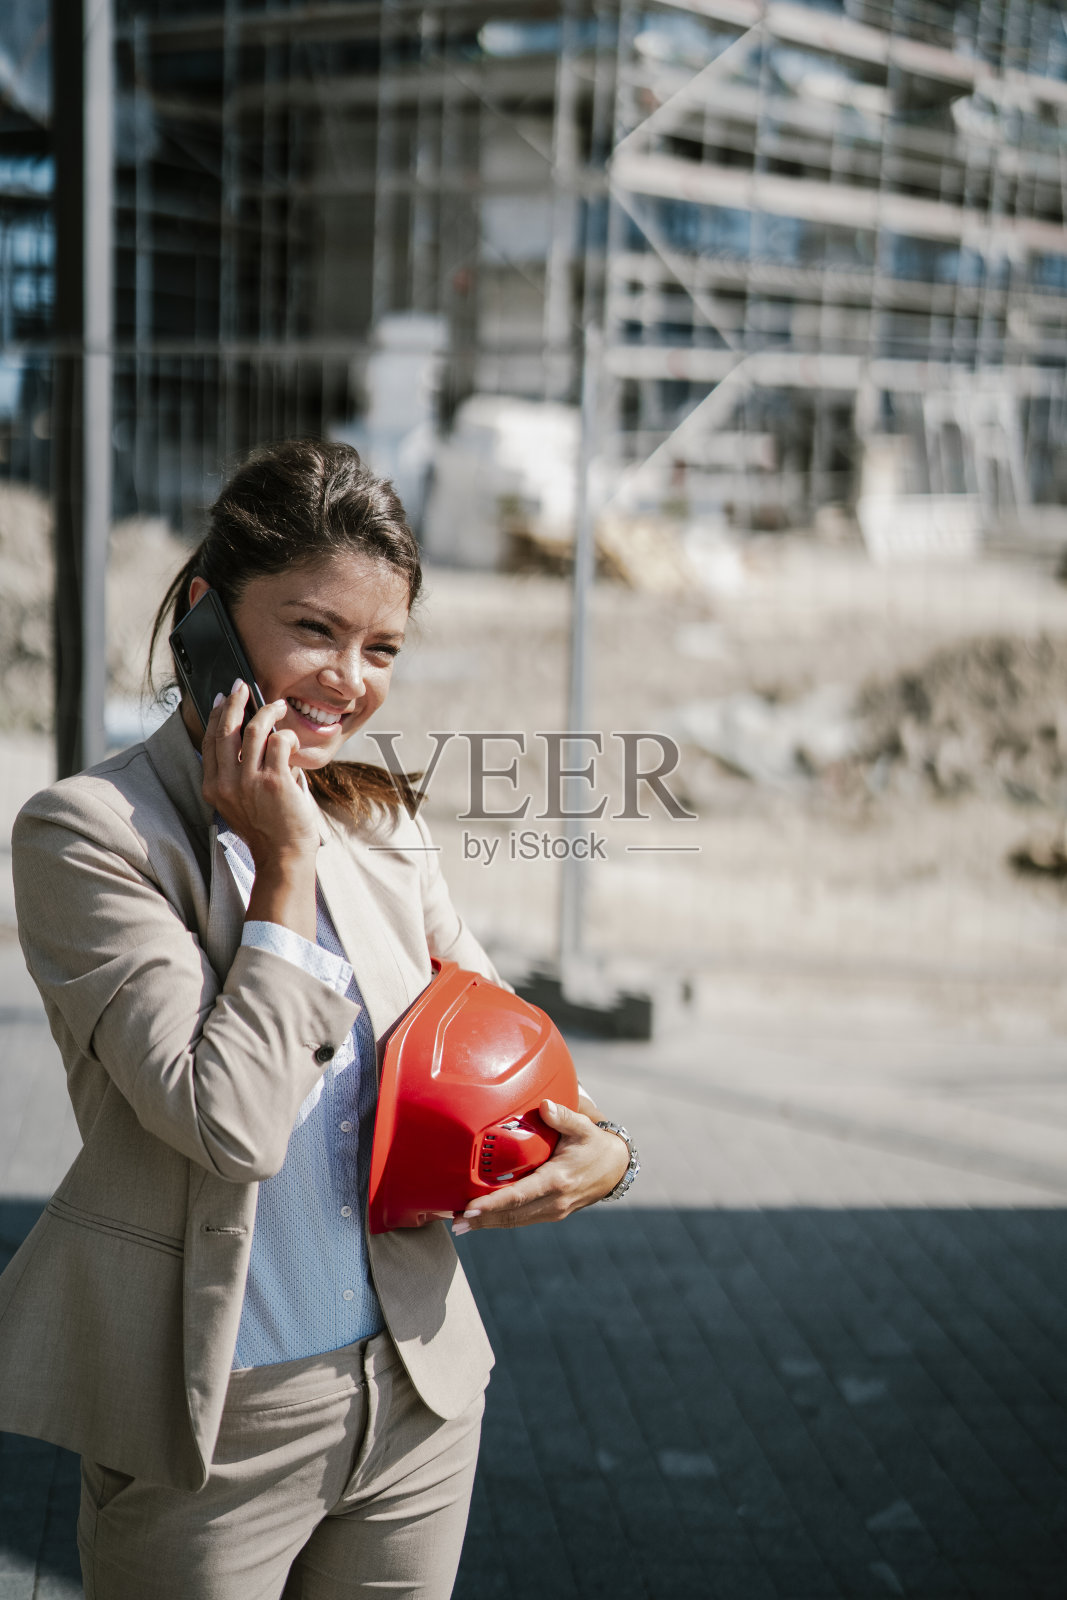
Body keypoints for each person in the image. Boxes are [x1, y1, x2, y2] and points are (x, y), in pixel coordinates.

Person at [0, 439, 636, 1600]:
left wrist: (605, 1148)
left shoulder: (382, 822)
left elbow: (506, 1054)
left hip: (418, 1402)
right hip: (217, 1427)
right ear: (206, 617)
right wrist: (285, 868)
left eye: (380, 646)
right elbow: (230, 1123)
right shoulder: (90, 835)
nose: (349, 678)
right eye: (314, 629)